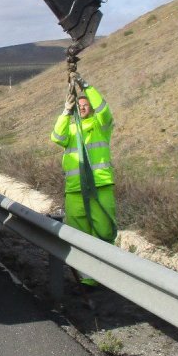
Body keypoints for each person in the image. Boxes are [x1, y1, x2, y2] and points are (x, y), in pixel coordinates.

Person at [51, 80, 116, 285]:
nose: (83, 107)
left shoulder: (100, 126)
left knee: (104, 231)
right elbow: (56, 137)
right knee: (79, 233)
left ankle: (105, 275)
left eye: (85, 105)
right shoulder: (70, 130)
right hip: (75, 189)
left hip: (100, 187)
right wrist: (66, 111)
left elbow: (104, 110)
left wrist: (86, 86)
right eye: (79, 106)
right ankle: (87, 279)